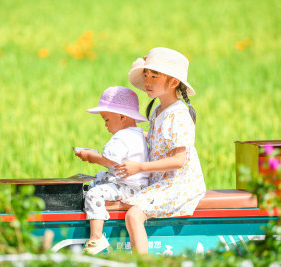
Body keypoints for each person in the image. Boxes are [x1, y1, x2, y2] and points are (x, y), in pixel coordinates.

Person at [114, 47, 206, 254]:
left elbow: (179, 160)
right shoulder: (158, 111)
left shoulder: (179, 115)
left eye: (155, 75)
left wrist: (139, 167)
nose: (147, 81)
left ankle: (142, 262)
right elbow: (156, 141)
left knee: (134, 215)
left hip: (178, 183)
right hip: (160, 181)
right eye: (146, 74)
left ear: (173, 82)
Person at [75, 86, 150, 255]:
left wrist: (90, 156)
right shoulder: (137, 133)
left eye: (107, 120)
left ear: (122, 117)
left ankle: (96, 238)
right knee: (99, 180)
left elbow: (109, 160)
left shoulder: (122, 137)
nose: (105, 125)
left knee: (94, 194)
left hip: (128, 187)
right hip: (134, 184)